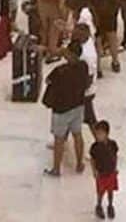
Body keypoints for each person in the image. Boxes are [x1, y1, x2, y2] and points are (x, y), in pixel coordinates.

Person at [41, 38, 94, 176]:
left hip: (61, 110)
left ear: (69, 53)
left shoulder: (60, 71)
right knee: (78, 134)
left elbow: (48, 80)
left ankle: (56, 169)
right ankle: (79, 163)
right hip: (78, 106)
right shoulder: (84, 66)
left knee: (59, 139)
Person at [88, 117, 120, 218]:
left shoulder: (113, 144)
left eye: (100, 134)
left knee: (110, 190)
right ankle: (99, 205)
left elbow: (115, 156)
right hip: (101, 173)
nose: (97, 136)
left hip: (111, 172)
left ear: (106, 134)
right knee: (101, 191)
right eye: (97, 134)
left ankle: (110, 205)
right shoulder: (95, 147)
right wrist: (94, 171)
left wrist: (115, 168)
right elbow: (92, 160)